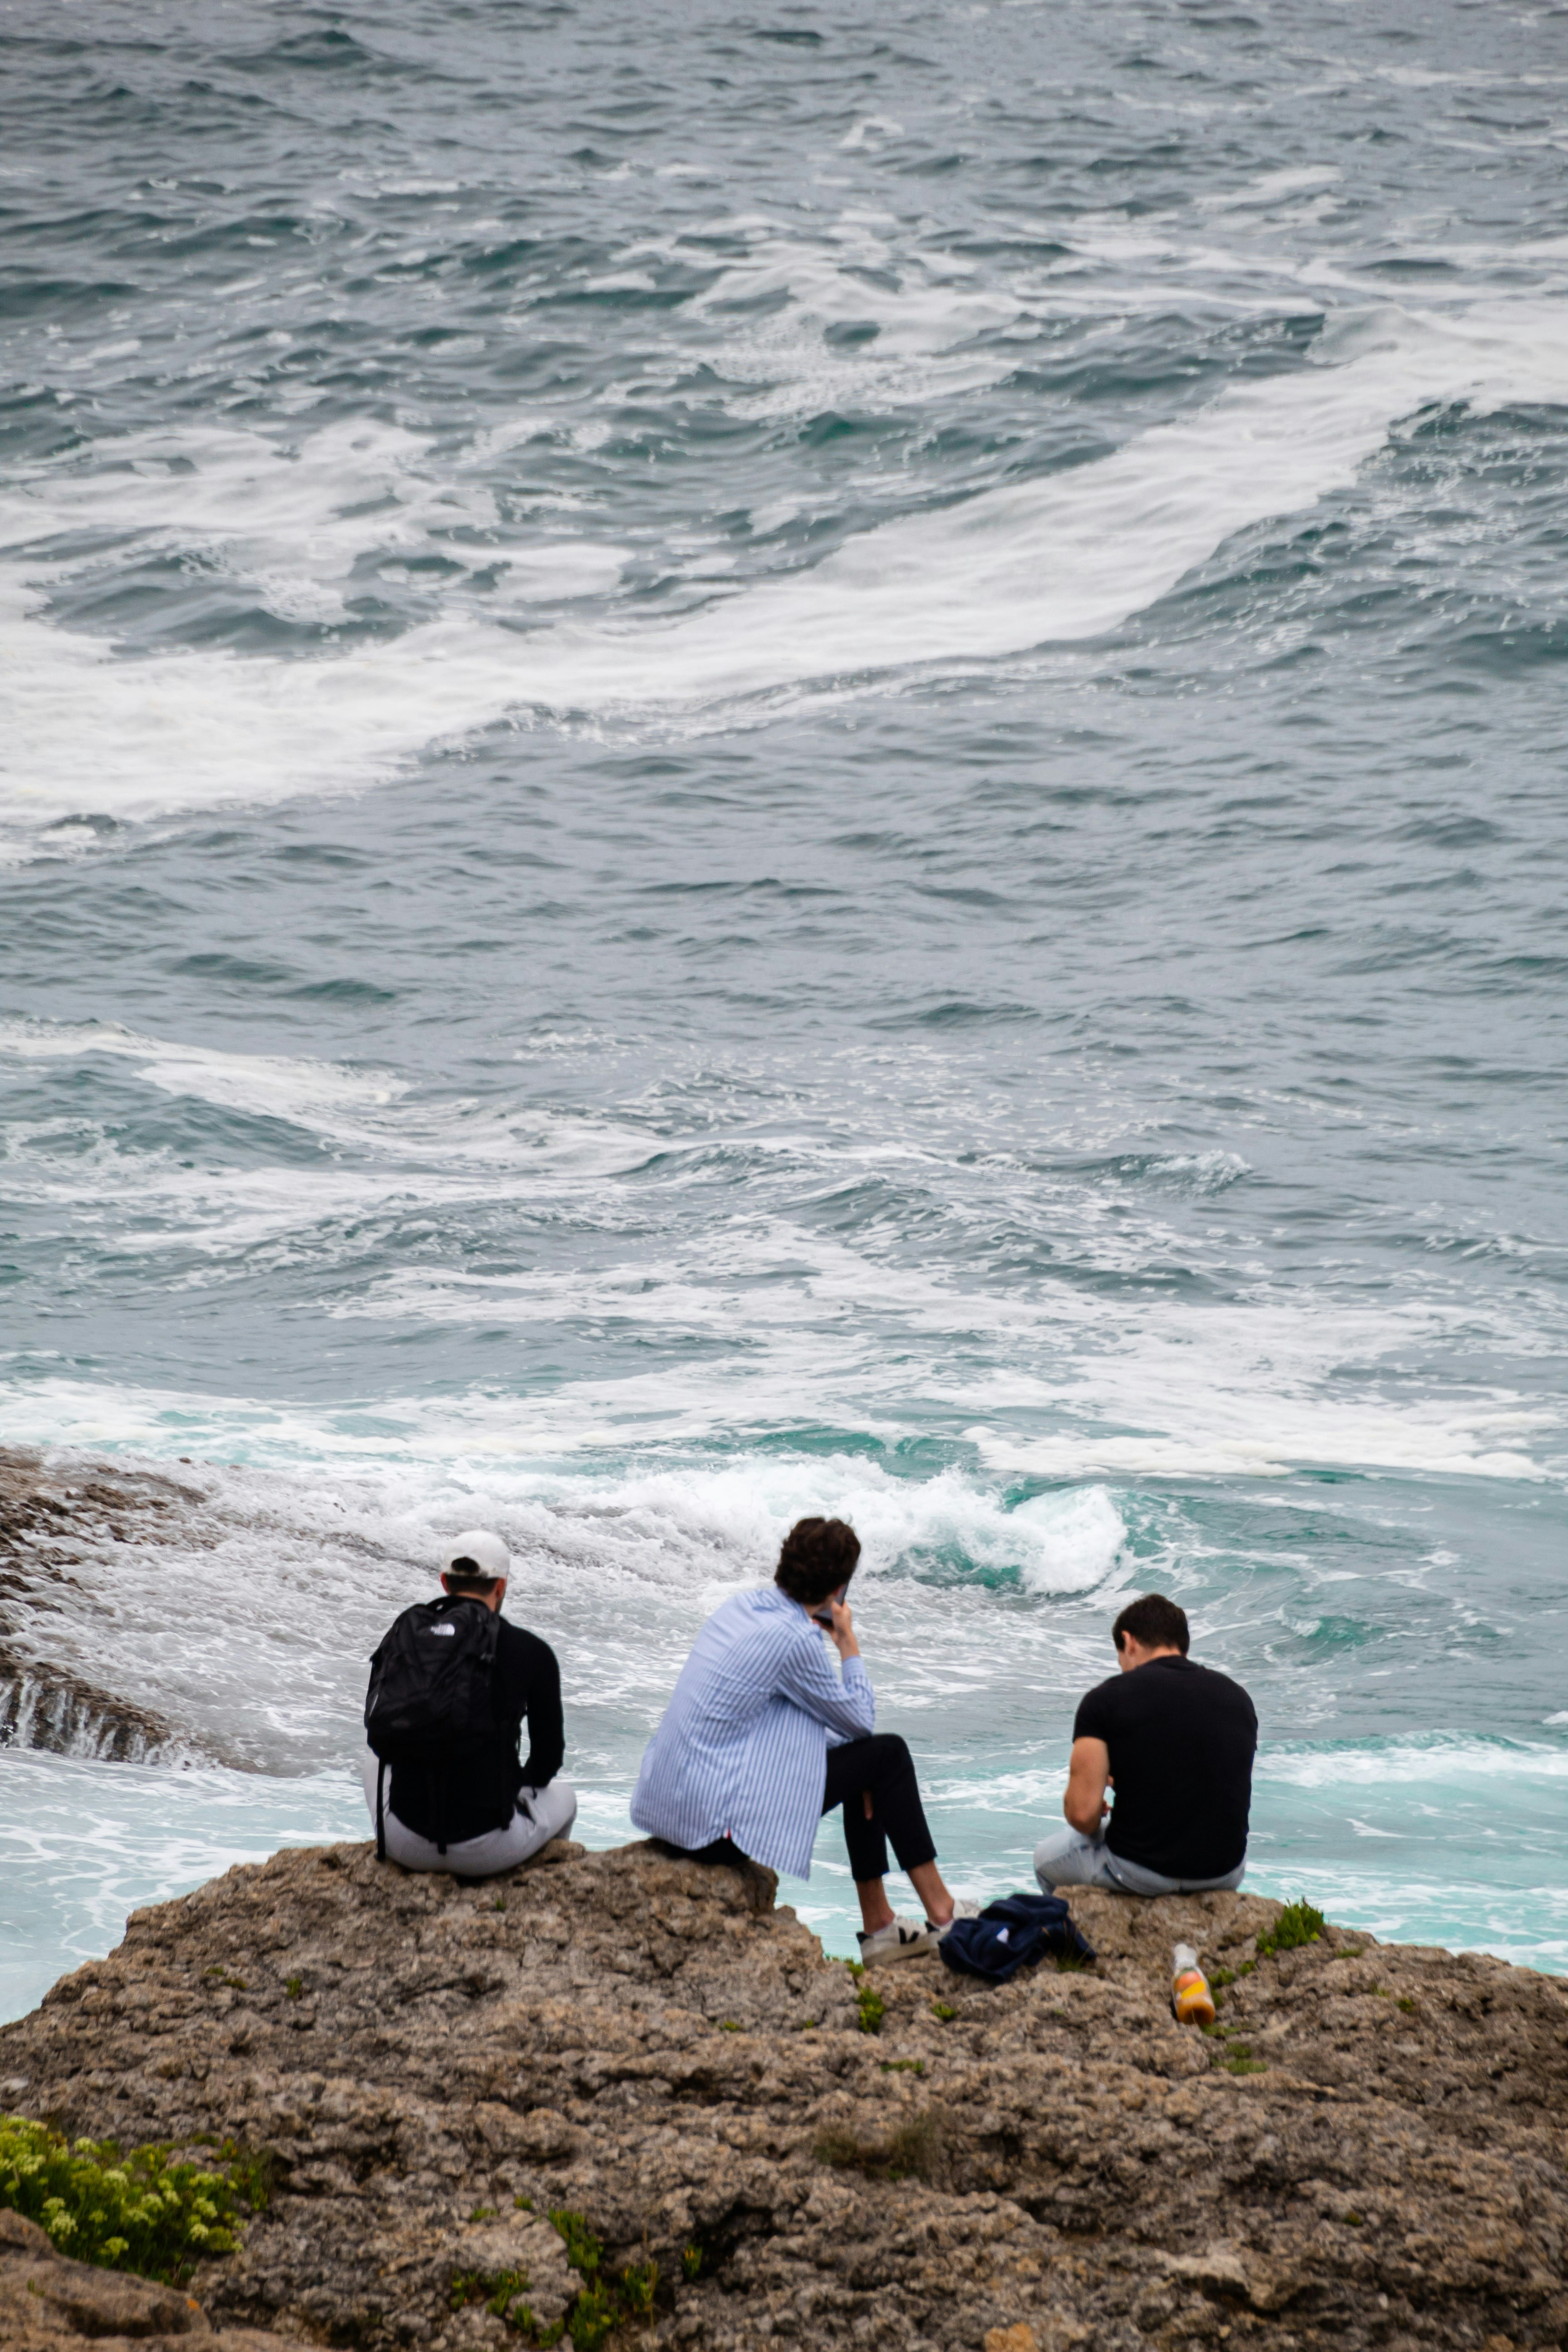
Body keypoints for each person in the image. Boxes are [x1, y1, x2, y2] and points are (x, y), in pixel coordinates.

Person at [631, 1516, 971, 1963]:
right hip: (712, 1832)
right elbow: (859, 1722)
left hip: (669, 1810)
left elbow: (799, 1725)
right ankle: (943, 1914)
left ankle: (882, 1927)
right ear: (839, 1591)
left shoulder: (741, 1608)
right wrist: (847, 1642)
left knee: (866, 1764)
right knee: (887, 1755)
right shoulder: (796, 1639)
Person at [363, 1529, 577, 1876]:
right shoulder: (531, 1650)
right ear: (501, 1587)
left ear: (445, 1582)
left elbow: (378, 1736)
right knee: (565, 1797)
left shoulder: (406, 1635)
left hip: (404, 1844)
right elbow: (548, 1761)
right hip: (489, 1850)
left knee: (372, 1764)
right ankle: (539, 1883)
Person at [1034, 1592, 1256, 1896]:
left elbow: (1083, 1817)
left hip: (1140, 1871)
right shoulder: (1238, 1698)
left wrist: (1090, 1803)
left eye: (1120, 1656)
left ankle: (1072, 1941)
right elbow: (1205, 1775)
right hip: (1225, 1871)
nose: (1124, 1666)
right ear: (1181, 1643)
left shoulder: (1105, 1700)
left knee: (1046, 1859)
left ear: (1129, 1641)